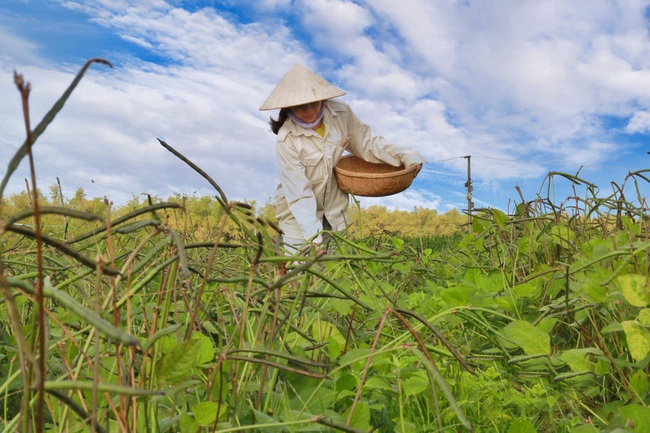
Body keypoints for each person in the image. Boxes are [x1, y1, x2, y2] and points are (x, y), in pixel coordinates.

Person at [259, 63, 425, 253]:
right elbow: (299, 193)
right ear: (288, 108)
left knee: (335, 270)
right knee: (299, 271)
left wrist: (406, 155)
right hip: (298, 216)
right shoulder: (286, 139)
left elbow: (367, 143)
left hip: (334, 210)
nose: (310, 110)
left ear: (323, 99)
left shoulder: (341, 113)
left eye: (314, 102)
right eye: (301, 107)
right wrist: (314, 238)